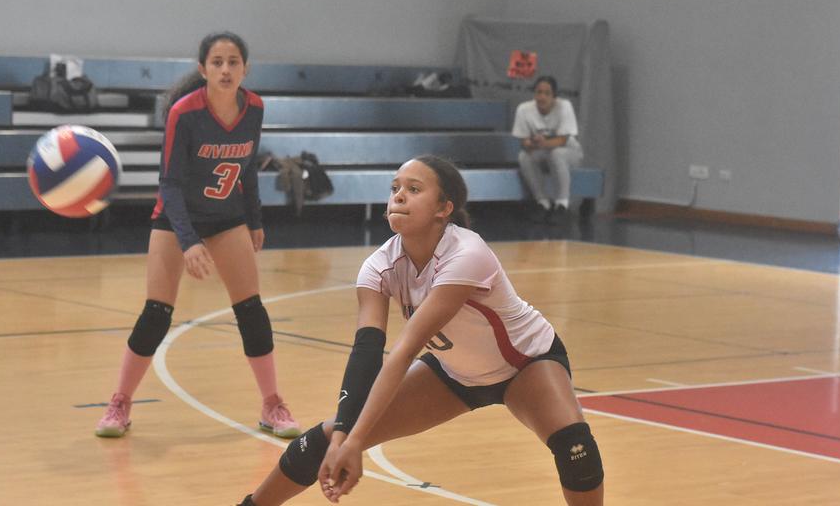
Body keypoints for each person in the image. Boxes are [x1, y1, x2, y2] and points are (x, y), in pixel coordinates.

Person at [236, 155, 604, 505]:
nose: (398, 194)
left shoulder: (466, 253)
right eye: (395, 187)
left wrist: (357, 437)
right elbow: (366, 352)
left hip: (525, 363)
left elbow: (406, 348)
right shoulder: (378, 266)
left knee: (575, 446)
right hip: (454, 373)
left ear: (444, 209)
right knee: (326, 439)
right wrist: (346, 435)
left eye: (414, 189)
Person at [96, 31, 301, 439]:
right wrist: (188, 241)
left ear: (245, 68)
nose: (226, 69)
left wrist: (255, 220)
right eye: (217, 62)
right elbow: (169, 185)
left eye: (233, 62)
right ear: (203, 69)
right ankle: (120, 403)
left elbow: (247, 170)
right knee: (156, 314)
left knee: (252, 311)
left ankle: (272, 404)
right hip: (175, 221)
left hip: (227, 219)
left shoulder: (255, 107)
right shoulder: (184, 113)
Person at [513, 75, 584, 225]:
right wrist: (533, 142)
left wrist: (543, 142)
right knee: (524, 157)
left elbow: (562, 140)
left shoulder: (565, 107)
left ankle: (562, 204)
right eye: (539, 92)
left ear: (554, 96)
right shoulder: (524, 109)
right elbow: (523, 141)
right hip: (542, 150)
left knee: (556, 153)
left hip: (568, 151)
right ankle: (542, 202)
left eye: (547, 93)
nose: (542, 97)